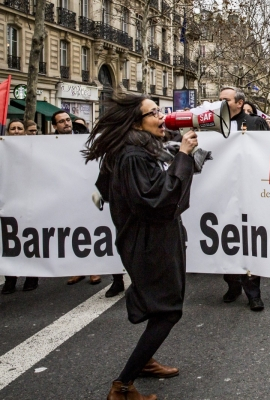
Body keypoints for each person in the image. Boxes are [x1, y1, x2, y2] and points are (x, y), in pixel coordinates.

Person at [83, 94, 199, 399]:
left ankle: (145, 360)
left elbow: (106, 190)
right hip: (150, 243)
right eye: (154, 113)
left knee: (158, 302)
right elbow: (157, 201)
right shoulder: (134, 155)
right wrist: (184, 156)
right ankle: (122, 386)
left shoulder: (136, 149)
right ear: (137, 121)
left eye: (160, 111)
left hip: (151, 239)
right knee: (168, 311)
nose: (161, 117)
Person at [219, 86, 268, 311]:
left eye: (225, 100)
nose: (220, 103)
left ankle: (253, 293)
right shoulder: (214, 123)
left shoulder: (256, 123)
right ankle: (232, 284)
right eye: (219, 100)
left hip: (250, 191)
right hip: (223, 190)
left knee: (249, 242)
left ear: (240, 102)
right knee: (226, 239)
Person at [2, 120, 39, 294]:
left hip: (29, 201)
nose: (16, 131)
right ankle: (11, 278)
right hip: (8, 202)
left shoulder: (34, 150)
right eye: (13, 129)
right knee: (10, 241)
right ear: (8, 131)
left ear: (25, 131)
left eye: (19, 128)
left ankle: (31, 277)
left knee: (30, 239)